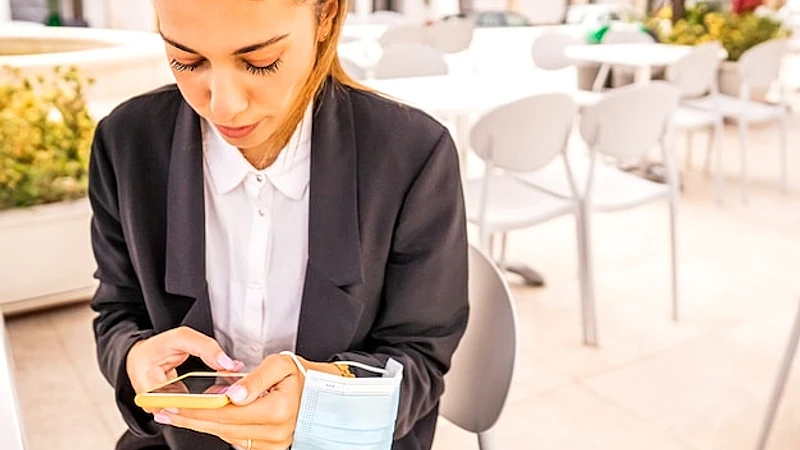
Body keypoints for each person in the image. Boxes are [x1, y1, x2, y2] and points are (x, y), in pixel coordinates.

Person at [88, 0, 470, 449]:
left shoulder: (412, 154)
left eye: (259, 62)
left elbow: (420, 354)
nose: (223, 105)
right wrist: (134, 356)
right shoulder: (126, 144)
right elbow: (118, 311)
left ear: (326, 14)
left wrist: (328, 404)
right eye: (186, 60)